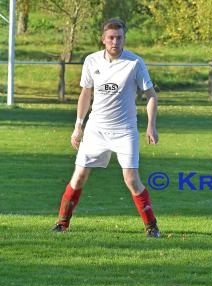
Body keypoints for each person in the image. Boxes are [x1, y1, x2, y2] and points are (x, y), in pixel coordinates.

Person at [52, 18, 160, 237]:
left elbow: (151, 97)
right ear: (103, 39)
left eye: (119, 37)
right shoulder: (91, 61)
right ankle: (62, 224)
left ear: (124, 38)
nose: (115, 41)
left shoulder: (135, 63)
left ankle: (152, 228)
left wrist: (151, 126)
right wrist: (78, 125)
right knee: (79, 175)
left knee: (131, 179)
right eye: (111, 37)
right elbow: (85, 94)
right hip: (96, 129)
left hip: (125, 130)